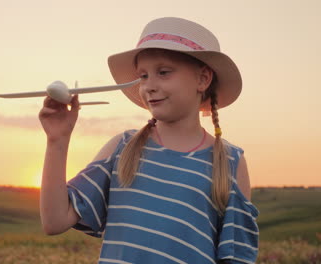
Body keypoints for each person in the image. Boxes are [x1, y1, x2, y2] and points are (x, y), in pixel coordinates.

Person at [39, 17, 259, 264]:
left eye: (163, 72)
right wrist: (57, 140)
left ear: (203, 79)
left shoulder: (230, 162)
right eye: (142, 76)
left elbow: (236, 257)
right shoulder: (122, 148)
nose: (149, 86)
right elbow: (55, 221)